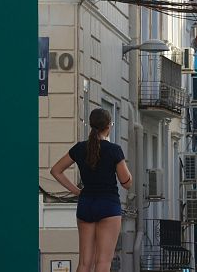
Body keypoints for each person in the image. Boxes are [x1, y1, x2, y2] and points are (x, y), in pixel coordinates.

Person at [50, 108, 133, 272]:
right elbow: (126, 183)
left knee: (84, 263)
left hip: (86, 204)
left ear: (91, 125)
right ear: (108, 126)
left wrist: (77, 191)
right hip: (108, 206)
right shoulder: (114, 150)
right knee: (103, 262)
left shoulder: (79, 148)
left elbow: (56, 171)